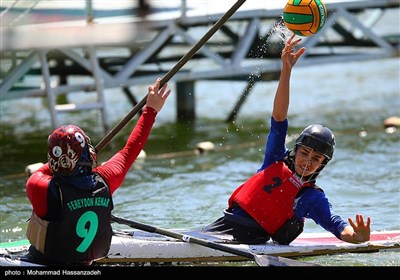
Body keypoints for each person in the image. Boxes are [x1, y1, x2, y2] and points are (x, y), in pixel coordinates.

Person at [201, 34, 371, 245]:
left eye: (316, 159)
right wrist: (286, 70)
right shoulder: (275, 159)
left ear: (322, 164)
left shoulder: (312, 198)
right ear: (296, 150)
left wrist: (357, 238)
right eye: (305, 153)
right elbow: (279, 118)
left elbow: (336, 224)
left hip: (251, 241)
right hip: (222, 227)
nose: (307, 161)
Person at [24, 78, 171, 265]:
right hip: (87, 262)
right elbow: (129, 151)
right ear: (87, 153)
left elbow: (43, 171)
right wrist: (151, 110)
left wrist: (59, 161)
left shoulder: (39, 186)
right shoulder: (105, 179)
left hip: (43, 263)